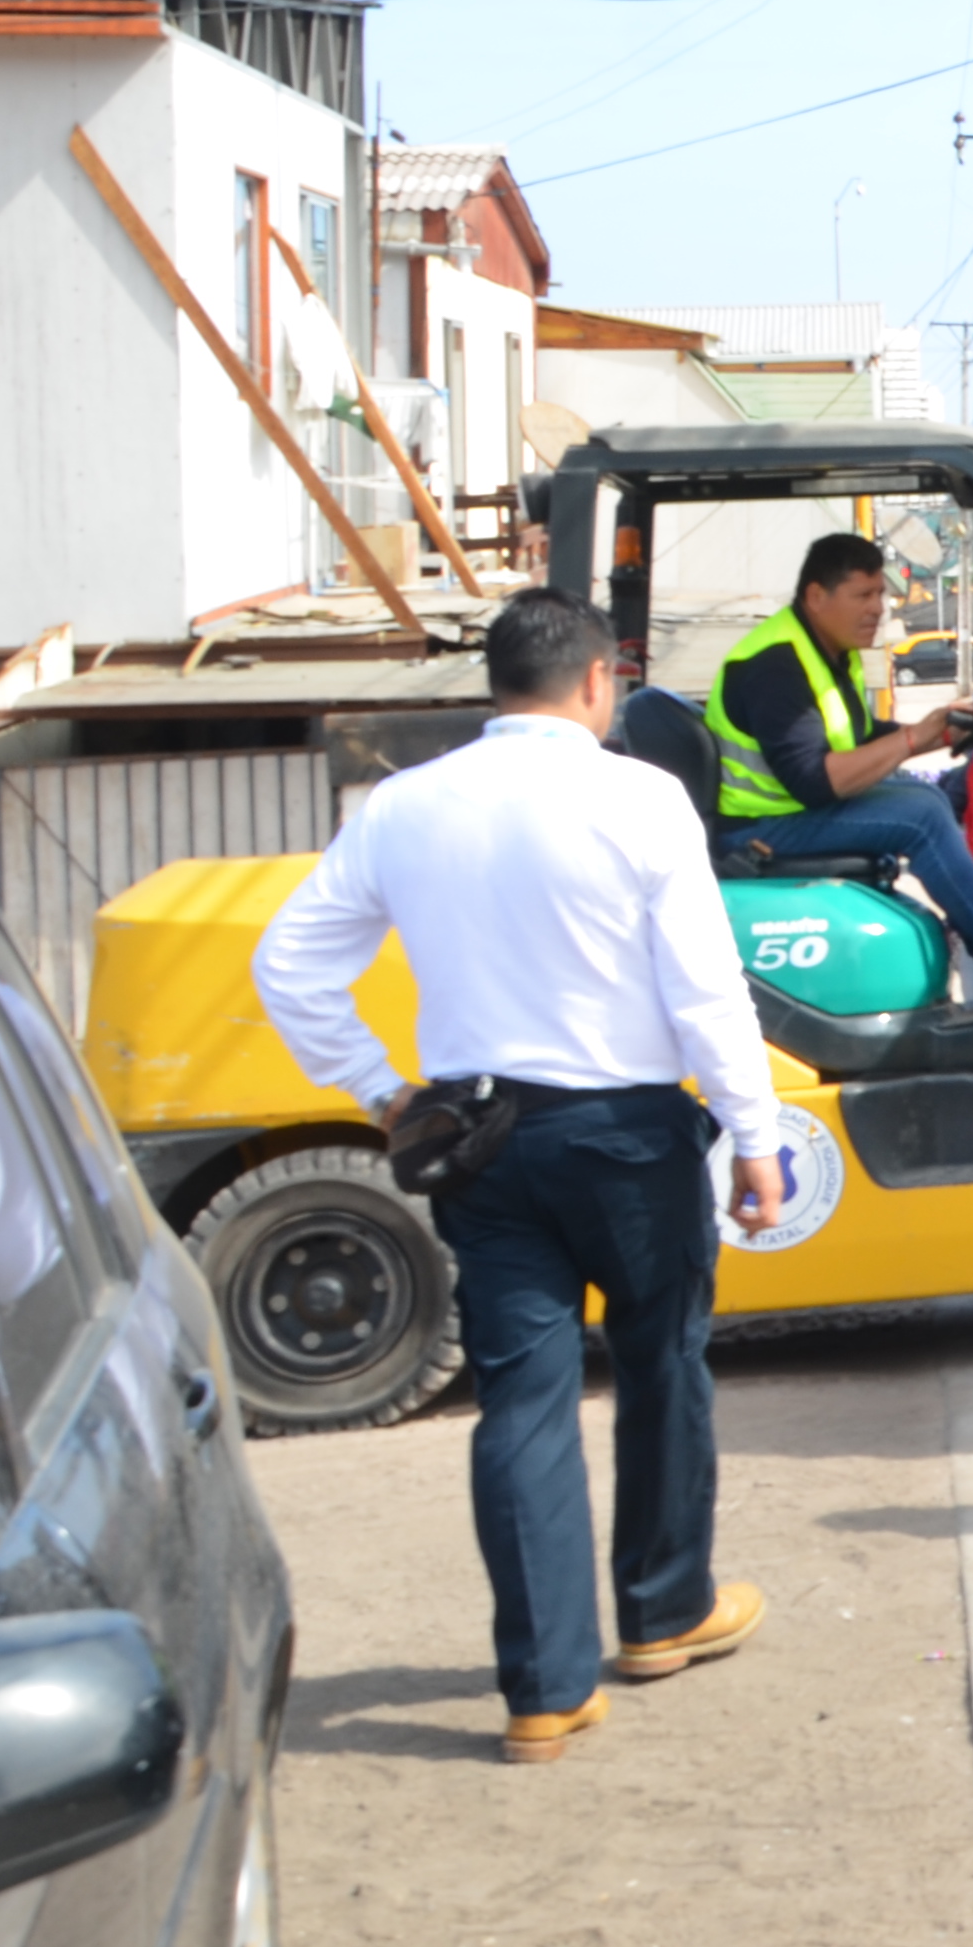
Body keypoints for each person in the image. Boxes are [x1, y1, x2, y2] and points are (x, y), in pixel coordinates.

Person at [253, 591, 784, 1764]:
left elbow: (287, 961)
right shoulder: (640, 797)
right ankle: (662, 1612)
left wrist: (381, 1089)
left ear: (495, 685)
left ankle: (543, 1691)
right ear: (598, 682)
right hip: (625, 1137)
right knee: (660, 1366)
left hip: (478, 1145)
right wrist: (754, 1131)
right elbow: (703, 987)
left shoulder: (404, 806)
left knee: (522, 1402)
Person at [703, 532, 973, 988]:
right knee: (922, 814)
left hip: (788, 812)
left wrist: (950, 727)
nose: (877, 609)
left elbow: (862, 739)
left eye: (880, 594)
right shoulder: (775, 665)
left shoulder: (828, 653)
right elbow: (815, 780)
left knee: (922, 794)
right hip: (760, 828)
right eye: (862, 595)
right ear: (816, 596)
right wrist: (915, 736)